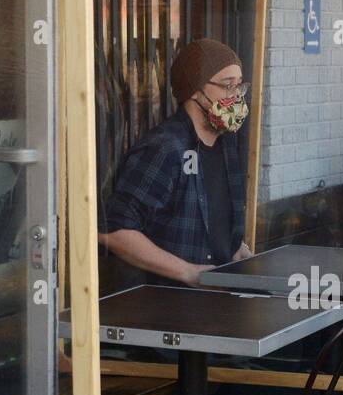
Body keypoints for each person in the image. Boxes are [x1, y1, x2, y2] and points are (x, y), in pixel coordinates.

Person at [100, 38, 252, 286]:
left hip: (217, 299)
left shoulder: (227, 144)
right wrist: (188, 272)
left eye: (239, 87)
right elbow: (113, 230)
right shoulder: (165, 147)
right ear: (194, 90)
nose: (236, 97)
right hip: (168, 306)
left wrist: (236, 249)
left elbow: (216, 224)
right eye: (227, 86)